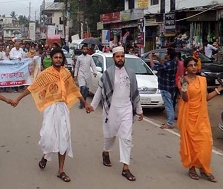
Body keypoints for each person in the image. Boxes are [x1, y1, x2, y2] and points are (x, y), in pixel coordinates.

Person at [13, 48, 92, 183]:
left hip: (62, 107)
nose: (58, 60)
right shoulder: (46, 74)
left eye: (60, 57)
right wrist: (18, 99)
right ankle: (45, 156)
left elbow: (74, 90)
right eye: (55, 57)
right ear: (51, 59)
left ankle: (61, 170)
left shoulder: (66, 73)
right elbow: (32, 87)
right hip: (50, 108)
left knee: (64, 138)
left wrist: (85, 104)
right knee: (48, 137)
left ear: (63, 59)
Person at [88, 46, 143, 182]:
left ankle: (126, 168)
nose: (120, 59)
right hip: (112, 109)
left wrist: (139, 110)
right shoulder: (107, 73)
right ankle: (106, 152)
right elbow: (100, 92)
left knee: (126, 138)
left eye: (122, 56)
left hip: (126, 110)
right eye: (118, 57)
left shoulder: (130, 73)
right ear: (114, 58)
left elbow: (135, 93)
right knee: (110, 135)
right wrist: (93, 106)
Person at [178, 57, 223, 182]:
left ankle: (204, 169)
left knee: (206, 143)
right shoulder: (183, 80)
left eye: (195, 65)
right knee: (192, 144)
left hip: (202, 118)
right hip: (189, 117)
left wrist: (218, 89)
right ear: (186, 68)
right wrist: (183, 87)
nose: (194, 67)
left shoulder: (202, 80)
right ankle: (192, 168)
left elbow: (206, 98)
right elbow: (185, 99)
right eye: (191, 65)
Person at [149, 48, 177, 129]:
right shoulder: (173, 63)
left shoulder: (168, 64)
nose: (165, 55)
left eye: (166, 54)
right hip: (171, 87)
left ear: (168, 55)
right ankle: (170, 122)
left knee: (168, 106)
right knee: (170, 104)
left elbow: (153, 67)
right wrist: (158, 58)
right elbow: (164, 64)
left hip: (165, 87)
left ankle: (170, 123)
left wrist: (151, 58)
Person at [74, 44, 98, 109]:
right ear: (82, 50)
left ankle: (83, 101)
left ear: (87, 50)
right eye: (84, 49)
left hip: (88, 75)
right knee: (83, 88)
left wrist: (95, 72)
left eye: (86, 49)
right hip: (81, 74)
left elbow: (93, 65)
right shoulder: (79, 58)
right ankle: (82, 103)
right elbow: (77, 67)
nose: (85, 50)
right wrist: (75, 75)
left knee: (86, 90)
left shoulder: (90, 57)